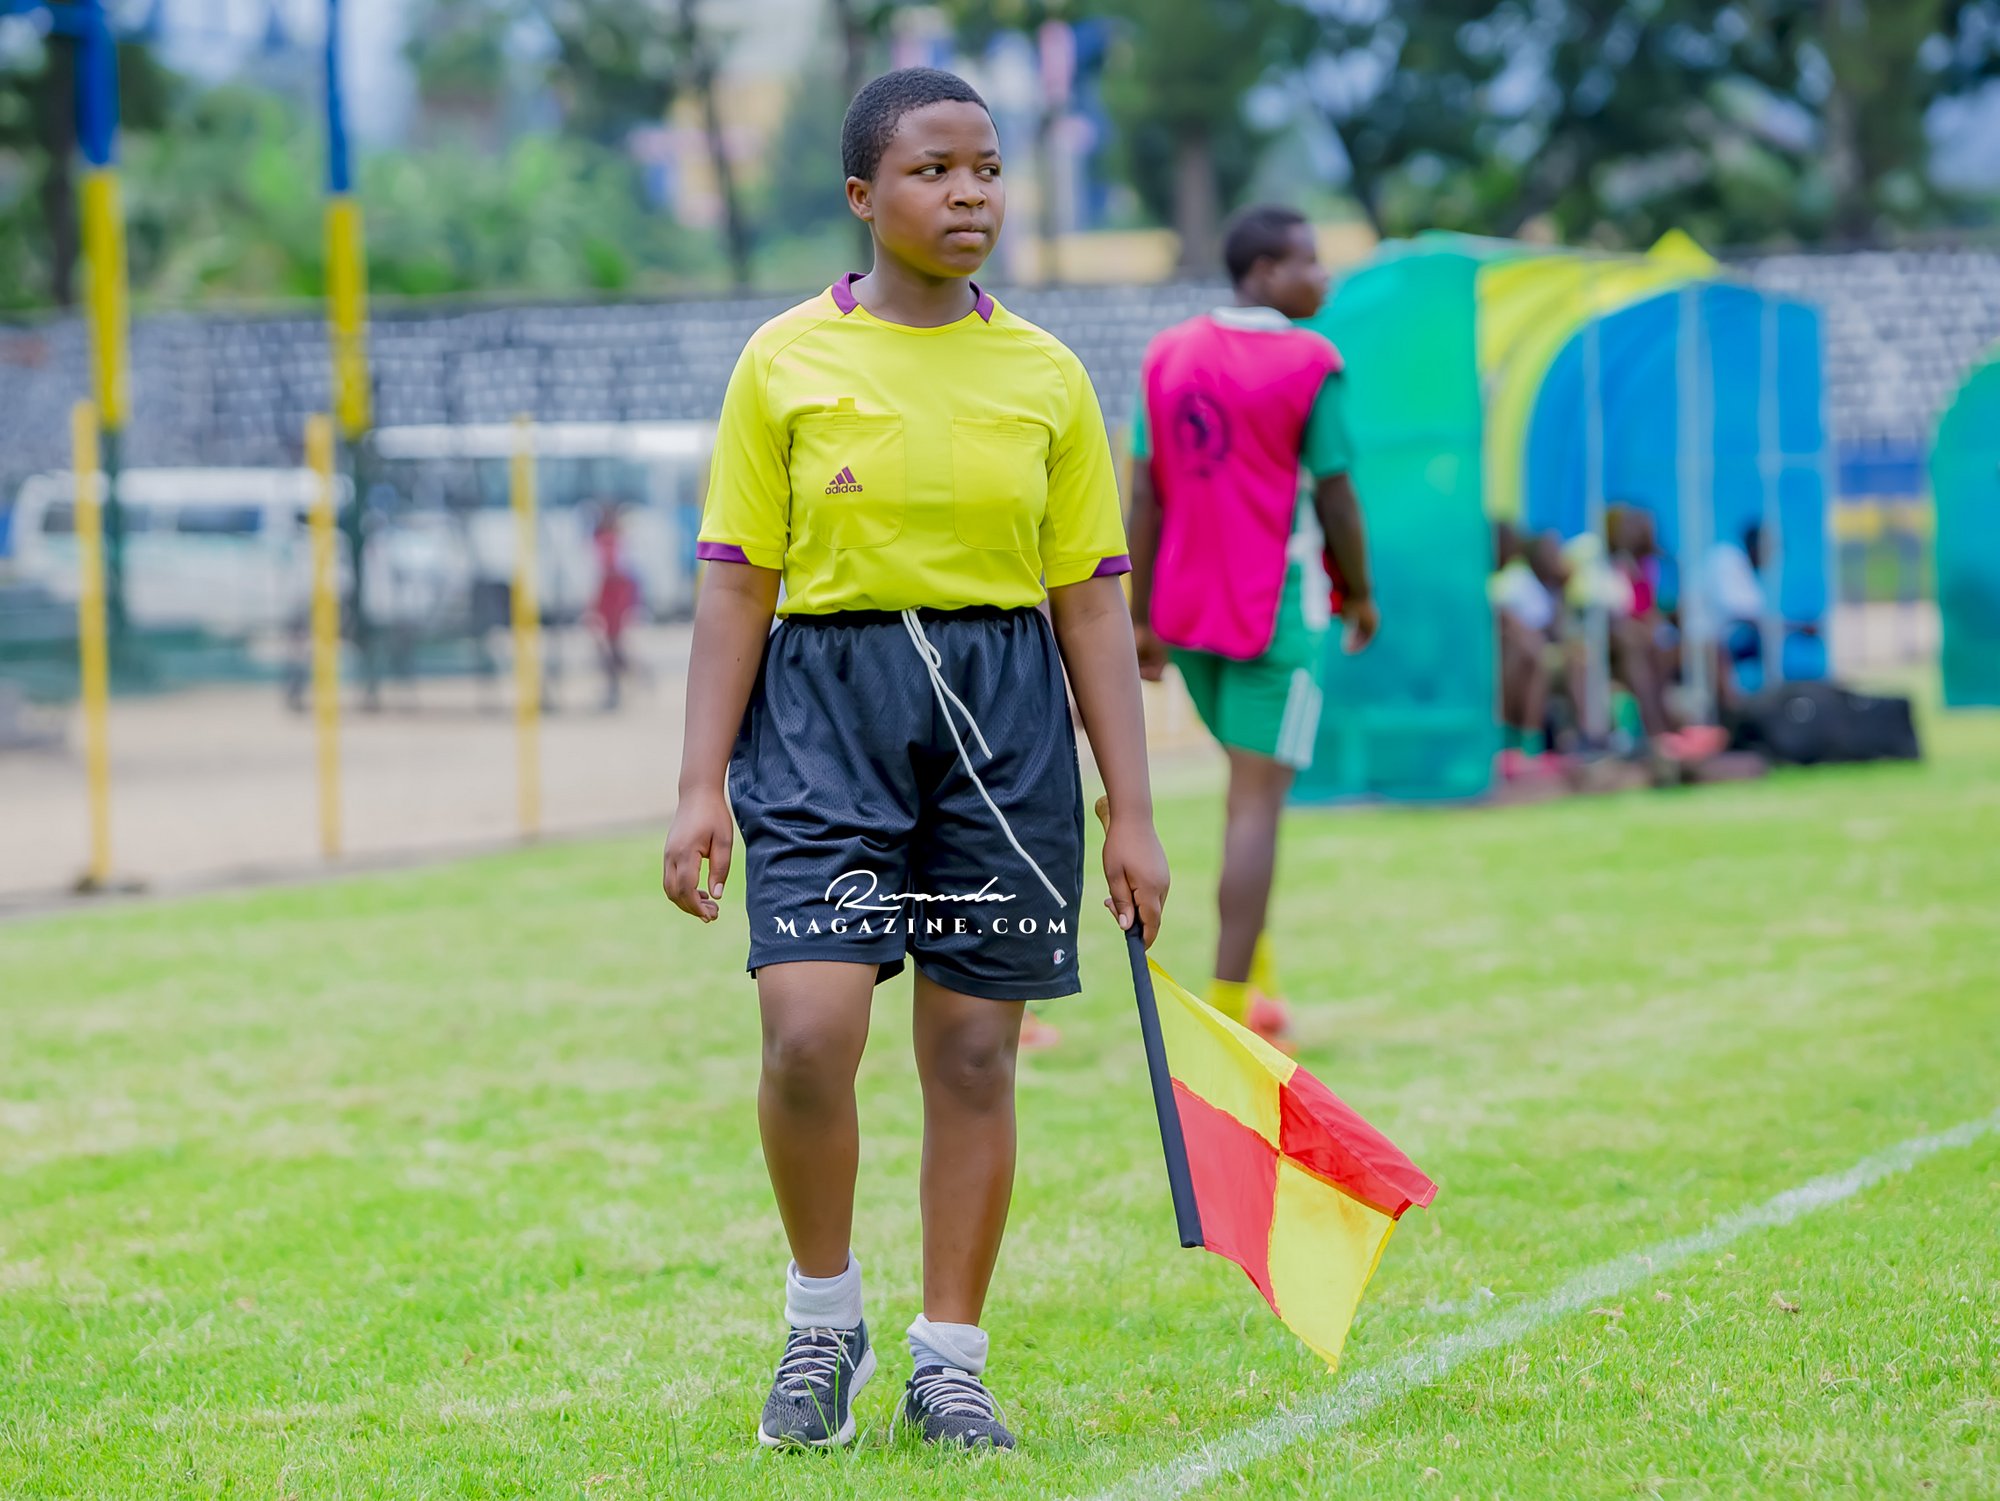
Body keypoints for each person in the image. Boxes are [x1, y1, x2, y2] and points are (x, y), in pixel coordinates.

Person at [660, 68, 1168, 1454]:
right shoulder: (781, 360)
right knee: (807, 1032)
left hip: (1003, 722)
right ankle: (822, 1319)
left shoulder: (1047, 374)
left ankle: (950, 1360)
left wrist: (1129, 808)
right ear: (861, 195)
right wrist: (699, 786)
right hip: (825, 710)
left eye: (986, 169)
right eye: (933, 171)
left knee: (976, 1055)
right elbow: (735, 583)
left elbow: (1092, 604)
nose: (967, 195)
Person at [1125, 204, 1377, 1049]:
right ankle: (1230, 1012)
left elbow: (1144, 491)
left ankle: (1257, 984)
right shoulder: (1312, 359)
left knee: (1244, 794)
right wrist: (1360, 593)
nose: (1323, 276)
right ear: (1265, 272)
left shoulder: (1167, 352)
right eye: (1310, 260)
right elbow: (1336, 494)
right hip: (1276, 611)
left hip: (1185, 613)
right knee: (1256, 806)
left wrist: (1140, 617)